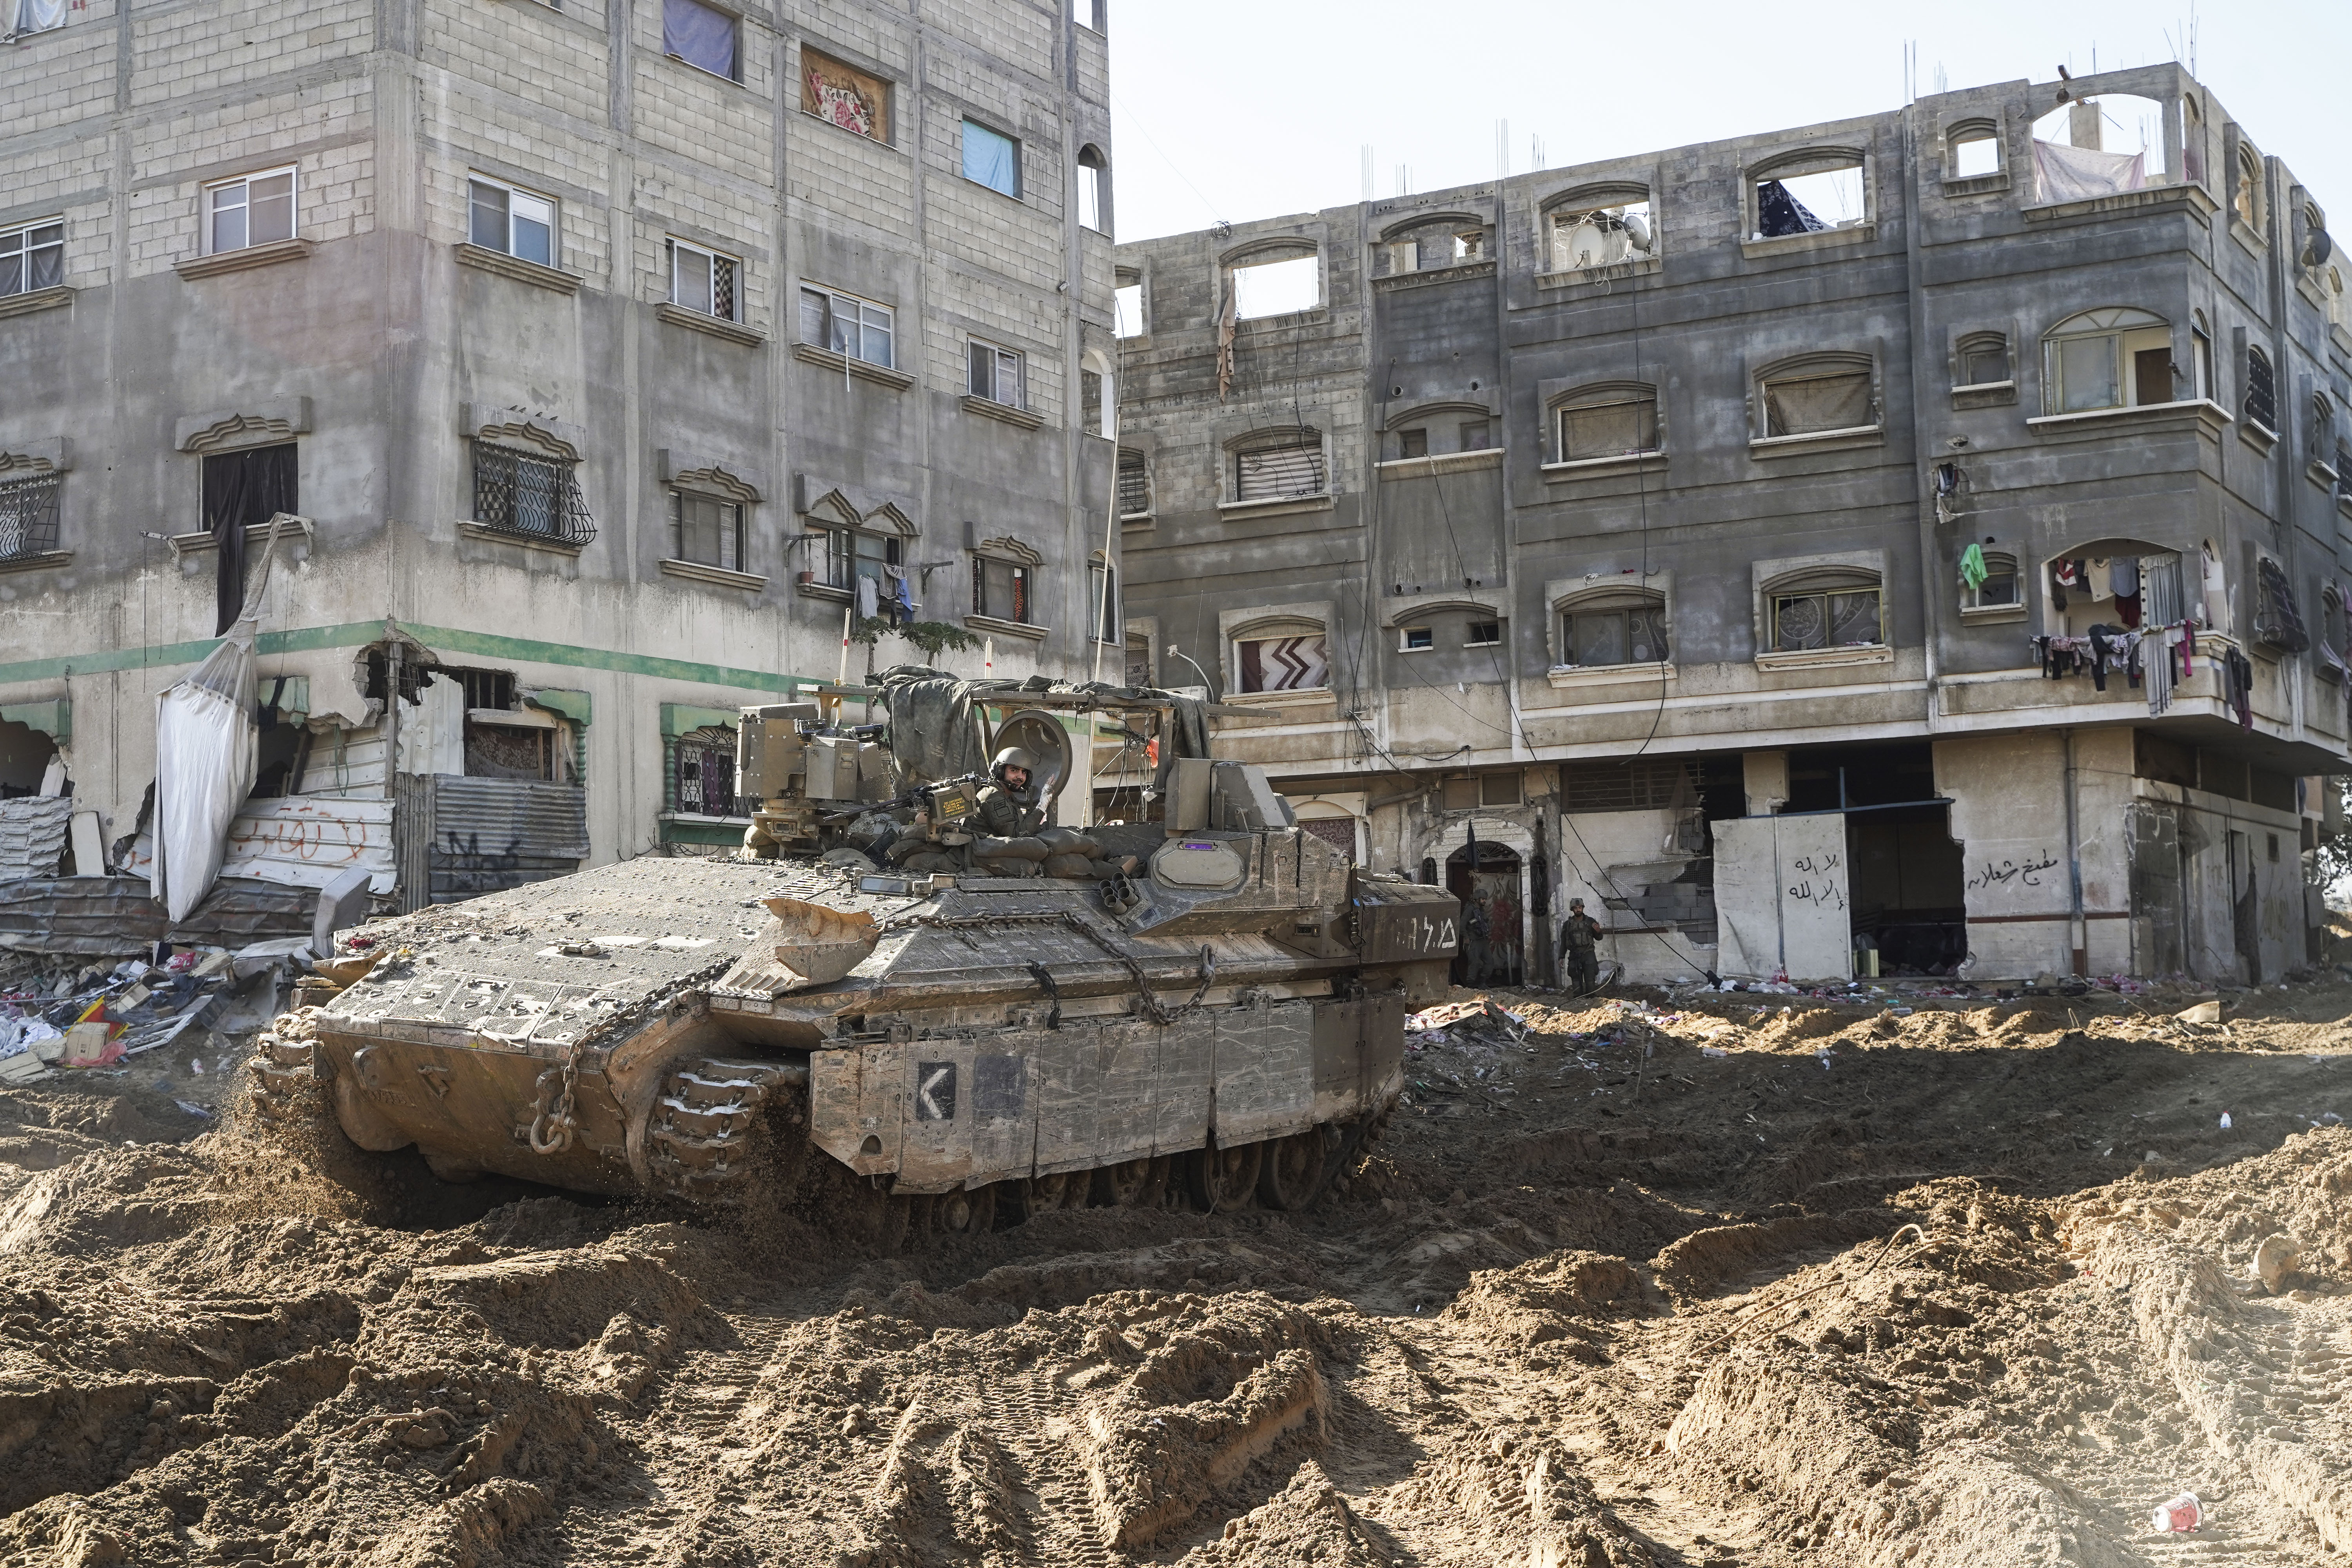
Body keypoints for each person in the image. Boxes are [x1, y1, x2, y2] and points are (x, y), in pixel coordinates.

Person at [974, 746, 1046, 837]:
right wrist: (1042, 807)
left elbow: (1019, 825)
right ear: (1000, 771)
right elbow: (1016, 834)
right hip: (981, 849)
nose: (1021, 777)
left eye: (1024, 772)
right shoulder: (992, 795)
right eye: (1014, 770)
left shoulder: (1007, 794)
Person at [1559, 897, 1603, 996]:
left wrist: (1599, 932)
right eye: (1576, 908)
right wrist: (1561, 957)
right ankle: (1578, 1000)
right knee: (1576, 980)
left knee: (1590, 979)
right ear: (1572, 909)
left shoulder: (1591, 922)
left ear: (1583, 908)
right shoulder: (1567, 925)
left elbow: (1599, 938)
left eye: (1580, 907)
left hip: (1588, 953)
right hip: (1575, 954)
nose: (1578, 910)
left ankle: (1591, 1000)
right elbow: (1564, 942)